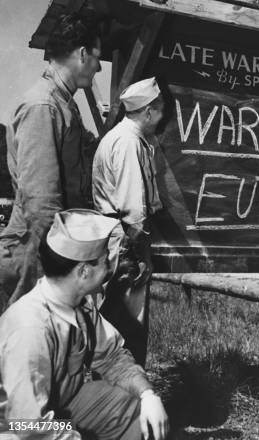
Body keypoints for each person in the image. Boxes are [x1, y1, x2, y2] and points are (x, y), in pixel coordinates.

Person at [0, 209, 168, 440]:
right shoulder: (30, 328)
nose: (109, 269)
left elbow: (112, 359)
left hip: (61, 406)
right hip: (15, 427)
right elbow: (27, 425)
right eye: (104, 261)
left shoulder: (78, 304)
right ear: (84, 271)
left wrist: (148, 394)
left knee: (133, 410)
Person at [0, 13, 102, 309]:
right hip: (36, 254)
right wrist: (61, 271)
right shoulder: (43, 106)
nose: (98, 67)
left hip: (48, 248)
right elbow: (41, 203)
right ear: (82, 54)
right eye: (97, 58)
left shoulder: (62, 104)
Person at [92, 77, 164, 365]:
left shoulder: (120, 138)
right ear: (148, 111)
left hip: (113, 241)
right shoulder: (129, 143)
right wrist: (144, 256)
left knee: (111, 325)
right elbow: (134, 214)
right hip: (124, 247)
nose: (162, 118)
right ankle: (127, 401)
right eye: (160, 110)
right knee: (127, 330)